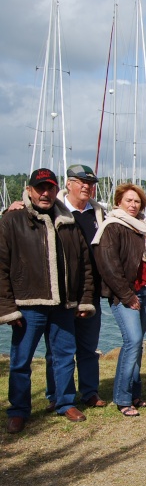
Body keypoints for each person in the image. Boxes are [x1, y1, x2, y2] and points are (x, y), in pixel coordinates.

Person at [0, 169, 96, 433]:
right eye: (39, 188)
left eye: (50, 188)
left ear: (57, 190)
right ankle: (19, 410)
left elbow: (84, 263)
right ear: (29, 190)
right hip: (28, 304)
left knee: (64, 357)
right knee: (21, 361)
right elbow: (2, 266)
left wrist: (85, 300)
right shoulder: (12, 220)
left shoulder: (68, 221)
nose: (45, 193)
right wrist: (8, 309)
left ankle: (65, 402)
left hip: (63, 305)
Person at [93, 184, 146, 417]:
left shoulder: (144, 228)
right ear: (118, 202)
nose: (133, 205)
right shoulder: (112, 227)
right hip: (125, 294)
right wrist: (127, 296)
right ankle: (122, 397)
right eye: (128, 200)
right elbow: (109, 266)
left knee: (138, 344)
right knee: (132, 341)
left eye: (137, 201)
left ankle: (135, 393)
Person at [48, 165, 106, 410]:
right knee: (59, 349)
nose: (86, 186)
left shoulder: (99, 213)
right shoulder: (55, 211)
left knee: (88, 347)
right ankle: (57, 396)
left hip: (91, 292)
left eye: (90, 183)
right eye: (80, 181)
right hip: (62, 292)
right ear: (68, 184)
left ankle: (89, 392)